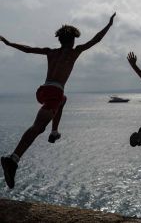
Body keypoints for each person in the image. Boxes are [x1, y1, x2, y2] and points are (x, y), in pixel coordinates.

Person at [0, 12, 116, 189]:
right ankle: (13, 159)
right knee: (37, 127)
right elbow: (96, 39)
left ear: (60, 40)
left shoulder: (51, 52)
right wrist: (109, 25)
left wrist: (8, 42)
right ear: (73, 41)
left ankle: (54, 131)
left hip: (44, 90)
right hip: (54, 91)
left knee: (63, 99)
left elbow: (28, 49)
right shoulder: (74, 52)